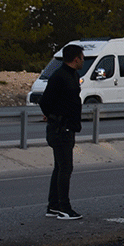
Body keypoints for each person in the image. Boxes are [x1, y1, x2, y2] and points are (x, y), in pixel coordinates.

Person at [38, 44, 85, 220]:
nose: (83, 60)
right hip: (60, 129)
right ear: (75, 59)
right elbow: (45, 101)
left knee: (60, 167)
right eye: (82, 57)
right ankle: (64, 208)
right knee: (65, 168)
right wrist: (53, 116)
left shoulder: (72, 75)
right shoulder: (60, 76)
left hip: (67, 128)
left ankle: (54, 206)